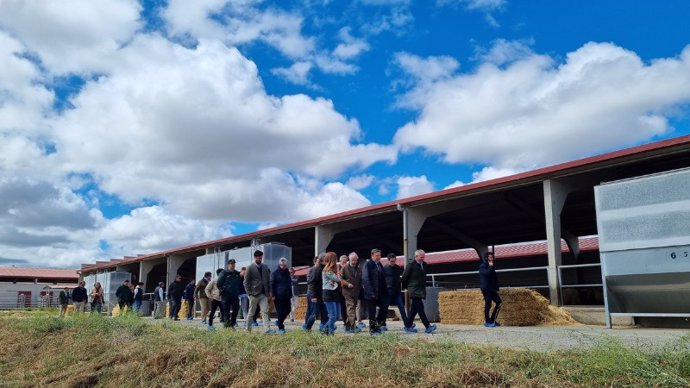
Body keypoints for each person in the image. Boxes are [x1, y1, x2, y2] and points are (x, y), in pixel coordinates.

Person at [402, 249, 437, 334]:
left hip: (421, 289)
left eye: (423, 257)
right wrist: (407, 287)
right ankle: (427, 326)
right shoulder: (411, 265)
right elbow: (404, 277)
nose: (423, 258)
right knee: (420, 308)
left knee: (414, 309)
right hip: (413, 289)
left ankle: (408, 326)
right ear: (416, 256)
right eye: (421, 257)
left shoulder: (424, 265)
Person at [244, 250, 274, 334]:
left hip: (264, 293)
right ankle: (247, 329)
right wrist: (249, 293)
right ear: (255, 257)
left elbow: (268, 280)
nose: (260, 258)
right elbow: (246, 282)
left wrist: (270, 291)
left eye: (261, 257)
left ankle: (267, 329)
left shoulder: (265, 267)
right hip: (253, 294)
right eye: (258, 257)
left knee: (265, 311)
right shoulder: (250, 267)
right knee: (251, 312)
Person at [362, 248, 388, 335]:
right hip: (371, 293)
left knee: (384, 307)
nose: (379, 257)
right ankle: (372, 330)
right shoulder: (368, 264)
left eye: (379, 255)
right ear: (372, 256)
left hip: (380, 292)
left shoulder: (379, 264)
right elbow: (366, 279)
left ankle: (377, 324)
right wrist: (370, 292)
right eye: (377, 256)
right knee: (372, 312)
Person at [384, 253, 409, 330]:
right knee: (384, 308)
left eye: (394, 261)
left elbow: (400, 279)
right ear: (388, 261)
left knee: (401, 307)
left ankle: (407, 325)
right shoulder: (384, 268)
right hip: (388, 292)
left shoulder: (398, 268)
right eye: (392, 261)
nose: (393, 262)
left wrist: (402, 287)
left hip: (397, 292)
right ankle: (383, 325)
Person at [304, 254, 328, 332]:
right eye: (326, 259)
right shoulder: (315, 269)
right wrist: (313, 296)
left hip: (323, 295)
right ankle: (307, 327)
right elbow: (311, 283)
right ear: (322, 260)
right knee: (315, 313)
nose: (328, 261)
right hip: (315, 295)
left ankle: (324, 329)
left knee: (325, 313)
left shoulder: (325, 269)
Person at [340, 252, 362, 333]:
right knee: (351, 308)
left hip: (356, 292)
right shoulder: (345, 268)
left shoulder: (358, 269)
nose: (353, 262)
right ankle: (353, 326)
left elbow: (360, 281)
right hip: (347, 292)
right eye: (352, 260)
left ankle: (347, 325)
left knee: (352, 308)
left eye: (355, 260)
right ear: (349, 259)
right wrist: (347, 284)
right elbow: (340, 279)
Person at [321, 252, 342, 336]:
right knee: (333, 316)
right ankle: (330, 333)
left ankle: (324, 329)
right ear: (332, 260)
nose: (336, 260)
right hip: (328, 294)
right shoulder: (327, 270)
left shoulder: (333, 270)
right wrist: (338, 273)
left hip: (335, 294)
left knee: (337, 316)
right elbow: (338, 279)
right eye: (335, 258)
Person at [479, 251, 502, 327]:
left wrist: (496, 288)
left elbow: (494, 278)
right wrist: (491, 266)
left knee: (497, 302)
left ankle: (491, 320)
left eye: (493, 257)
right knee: (489, 304)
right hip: (486, 288)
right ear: (486, 258)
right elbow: (487, 274)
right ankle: (489, 321)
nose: (492, 258)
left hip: (491, 288)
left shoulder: (490, 266)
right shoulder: (482, 266)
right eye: (491, 257)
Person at [217, 259, 242, 329]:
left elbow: (241, 280)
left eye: (234, 264)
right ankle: (227, 325)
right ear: (228, 265)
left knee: (236, 308)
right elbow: (218, 283)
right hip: (226, 295)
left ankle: (232, 323)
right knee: (226, 311)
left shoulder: (237, 273)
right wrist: (223, 290)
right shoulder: (224, 273)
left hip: (234, 294)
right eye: (231, 264)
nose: (232, 265)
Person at [271, 258, 293, 334]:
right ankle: (281, 327)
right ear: (279, 265)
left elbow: (289, 283)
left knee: (288, 310)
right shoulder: (275, 273)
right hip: (278, 296)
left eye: (285, 265)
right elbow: (272, 285)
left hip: (287, 295)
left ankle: (279, 321)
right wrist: (273, 295)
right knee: (280, 312)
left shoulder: (288, 273)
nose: (283, 266)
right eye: (282, 265)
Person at [338, 255, 348, 323]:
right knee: (343, 307)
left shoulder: (348, 268)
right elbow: (339, 279)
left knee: (349, 307)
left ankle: (349, 322)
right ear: (340, 261)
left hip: (348, 291)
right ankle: (345, 322)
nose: (344, 263)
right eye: (343, 262)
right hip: (340, 291)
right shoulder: (337, 268)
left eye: (346, 262)